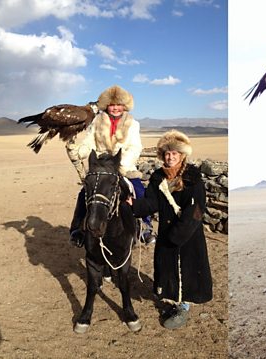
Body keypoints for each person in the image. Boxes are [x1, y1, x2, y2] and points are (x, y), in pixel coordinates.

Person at [128, 129, 213, 329]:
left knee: (187, 270)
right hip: (167, 234)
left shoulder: (193, 177)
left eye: (175, 153)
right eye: (167, 153)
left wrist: (179, 234)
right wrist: (133, 204)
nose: (170, 157)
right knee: (169, 269)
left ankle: (184, 306)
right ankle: (174, 301)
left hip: (188, 235)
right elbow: (151, 203)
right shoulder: (158, 177)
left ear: (182, 155)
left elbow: (197, 209)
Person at [69, 85, 155, 247]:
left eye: (118, 104)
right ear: (106, 105)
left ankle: (145, 228)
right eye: (112, 104)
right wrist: (79, 152)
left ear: (125, 106)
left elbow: (135, 147)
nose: (115, 108)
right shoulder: (96, 121)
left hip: (124, 166)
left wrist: (121, 165)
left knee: (139, 190)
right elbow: (89, 142)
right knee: (84, 194)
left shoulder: (133, 124)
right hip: (101, 166)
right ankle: (77, 230)